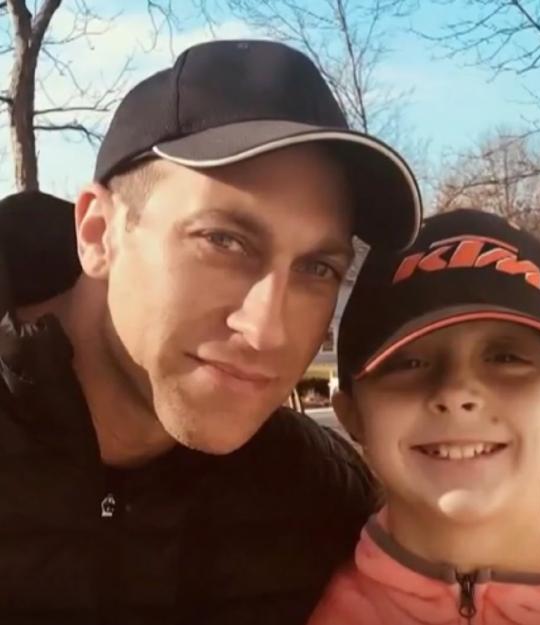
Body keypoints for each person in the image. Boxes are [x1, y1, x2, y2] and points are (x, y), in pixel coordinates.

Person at [0, 39, 422, 624]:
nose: (266, 330)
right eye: (224, 241)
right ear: (99, 233)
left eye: (317, 268)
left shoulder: (314, 501)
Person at [307, 210, 540, 625]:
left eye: (506, 358)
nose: (456, 392)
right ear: (353, 416)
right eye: (409, 362)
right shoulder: (295, 593)